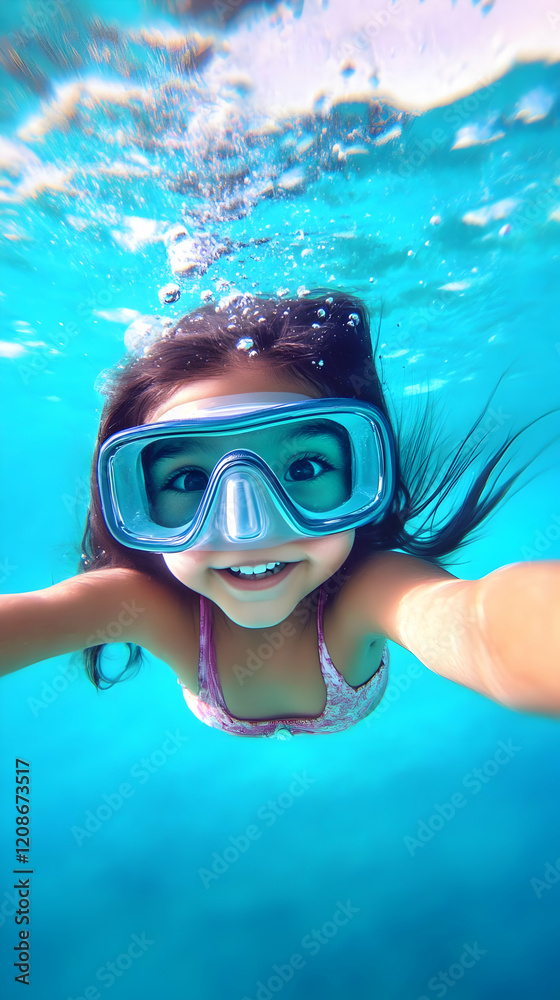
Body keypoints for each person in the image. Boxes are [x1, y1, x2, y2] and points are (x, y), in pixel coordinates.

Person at [1, 292, 559, 735]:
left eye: (305, 469)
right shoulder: (145, 605)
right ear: (140, 503)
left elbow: (478, 624)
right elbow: (33, 617)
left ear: (364, 473)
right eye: (191, 480)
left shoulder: (368, 589)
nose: (248, 529)